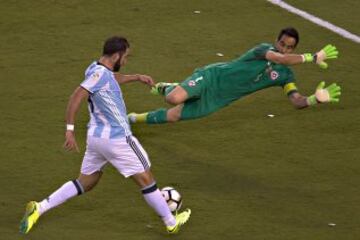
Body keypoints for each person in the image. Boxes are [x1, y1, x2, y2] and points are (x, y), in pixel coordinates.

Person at [19, 36, 191, 235]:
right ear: (117, 55)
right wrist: (69, 129)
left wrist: (136, 77)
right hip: (117, 139)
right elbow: (77, 96)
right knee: (146, 178)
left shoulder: (95, 68)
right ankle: (171, 222)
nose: (125, 61)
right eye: (125, 57)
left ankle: (39, 208)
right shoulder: (99, 75)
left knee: (86, 181)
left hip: (96, 139)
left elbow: (110, 78)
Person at [128, 27, 341, 124]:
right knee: (173, 98)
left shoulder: (286, 76)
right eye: (282, 44)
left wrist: (314, 99)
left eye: (289, 47)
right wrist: (313, 57)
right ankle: (166, 86)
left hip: (219, 100)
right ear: (276, 41)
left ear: (294, 48)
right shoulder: (263, 50)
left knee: (173, 116)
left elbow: (296, 101)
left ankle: (133, 119)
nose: (284, 49)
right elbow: (280, 59)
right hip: (212, 77)